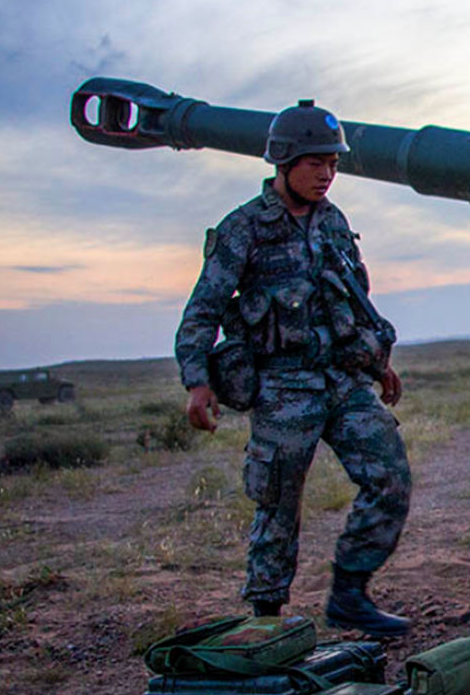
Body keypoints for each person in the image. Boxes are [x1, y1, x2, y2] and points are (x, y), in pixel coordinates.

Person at [175, 100, 413, 636]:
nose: (327, 174)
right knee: (278, 503)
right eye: (315, 163)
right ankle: (266, 620)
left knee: (390, 477)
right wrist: (197, 381)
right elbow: (203, 310)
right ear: (283, 162)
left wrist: (379, 363)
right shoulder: (244, 228)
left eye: (333, 163)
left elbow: (354, 298)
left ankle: (350, 594)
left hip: (343, 380)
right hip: (282, 386)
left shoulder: (333, 222)